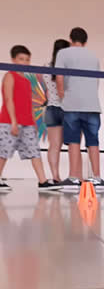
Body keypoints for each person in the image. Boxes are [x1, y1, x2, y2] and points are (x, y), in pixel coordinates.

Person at [55, 27, 104, 192]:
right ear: (85, 41)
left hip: (72, 103)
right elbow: (96, 81)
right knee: (93, 141)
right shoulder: (93, 56)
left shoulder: (64, 53)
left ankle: (73, 178)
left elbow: (59, 78)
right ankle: (97, 178)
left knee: (73, 141)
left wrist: (62, 97)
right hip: (92, 104)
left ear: (71, 39)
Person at [0, 46, 55, 192]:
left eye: (27, 60)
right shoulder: (9, 76)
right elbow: (8, 99)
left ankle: (42, 181)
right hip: (9, 122)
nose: (25, 62)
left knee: (34, 152)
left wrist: (34, 122)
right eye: (21, 59)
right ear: (13, 60)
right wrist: (13, 121)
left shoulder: (26, 80)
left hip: (27, 123)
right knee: (3, 152)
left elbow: (28, 101)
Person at [43, 39, 70, 183]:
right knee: (73, 144)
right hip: (66, 108)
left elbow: (47, 89)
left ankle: (55, 176)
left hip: (51, 108)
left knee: (54, 146)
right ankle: (74, 177)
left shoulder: (46, 67)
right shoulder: (67, 69)